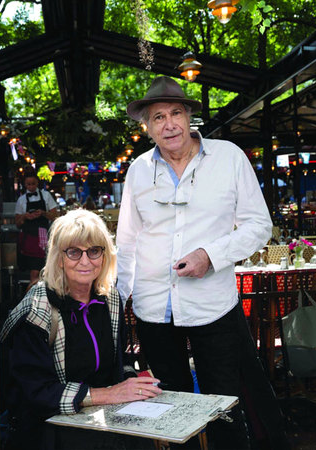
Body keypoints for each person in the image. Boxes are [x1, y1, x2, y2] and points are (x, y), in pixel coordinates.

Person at [116, 76, 288, 449]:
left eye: (176, 113)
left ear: (190, 116)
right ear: (147, 127)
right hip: (153, 308)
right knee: (170, 409)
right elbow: (127, 241)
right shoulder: (138, 170)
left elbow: (260, 225)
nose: (169, 124)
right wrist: (117, 298)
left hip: (212, 305)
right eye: (158, 117)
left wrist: (210, 256)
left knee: (223, 405)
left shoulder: (228, 157)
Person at [0, 209, 161, 450]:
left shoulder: (111, 300)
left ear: (105, 256)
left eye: (94, 251)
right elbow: (34, 392)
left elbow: (120, 364)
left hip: (101, 418)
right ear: (59, 257)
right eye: (74, 252)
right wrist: (109, 394)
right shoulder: (38, 308)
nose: (85, 261)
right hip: (48, 425)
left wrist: (135, 386)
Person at [15, 171, 59, 285]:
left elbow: (55, 216)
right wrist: (25, 216)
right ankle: (34, 295)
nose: (31, 187)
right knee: (34, 271)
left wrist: (43, 213)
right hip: (29, 238)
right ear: (25, 184)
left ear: (37, 183)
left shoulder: (46, 195)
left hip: (44, 236)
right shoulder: (21, 200)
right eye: (28, 184)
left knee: (44, 269)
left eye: (33, 184)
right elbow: (18, 223)